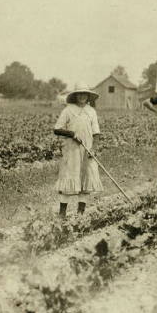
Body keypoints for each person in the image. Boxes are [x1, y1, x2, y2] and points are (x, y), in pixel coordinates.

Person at [53, 83, 103, 216]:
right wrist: (72, 134)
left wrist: (94, 148)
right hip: (72, 150)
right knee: (69, 178)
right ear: (75, 96)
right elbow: (57, 129)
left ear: (88, 96)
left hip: (87, 150)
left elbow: (96, 133)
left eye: (84, 94)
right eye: (79, 94)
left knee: (85, 181)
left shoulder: (91, 111)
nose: (82, 96)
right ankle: (62, 214)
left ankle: (80, 213)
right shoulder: (68, 110)